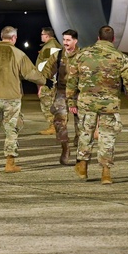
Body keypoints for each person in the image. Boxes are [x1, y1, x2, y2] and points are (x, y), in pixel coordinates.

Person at [66, 26, 128, 183]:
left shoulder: (82, 54)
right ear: (113, 39)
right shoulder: (120, 57)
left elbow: (71, 80)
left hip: (87, 103)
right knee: (107, 137)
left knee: (86, 133)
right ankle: (106, 172)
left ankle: (83, 166)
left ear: (98, 38)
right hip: (109, 104)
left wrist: (71, 100)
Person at [0, 26, 46, 173]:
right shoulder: (18, 54)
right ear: (14, 38)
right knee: (11, 131)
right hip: (12, 98)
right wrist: (45, 81)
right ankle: (9, 163)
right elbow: (30, 74)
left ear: (2, 36)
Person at [40, 29, 80, 166]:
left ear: (75, 41)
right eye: (64, 40)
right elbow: (46, 72)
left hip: (78, 93)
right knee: (59, 121)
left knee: (82, 123)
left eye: (68, 40)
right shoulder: (57, 55)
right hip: (62, 92)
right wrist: (42, 83)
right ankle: (65, 147)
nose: (65, 43)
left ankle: (80, 148)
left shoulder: (82, 56)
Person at [36, 27, 62, 135]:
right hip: (55, 79)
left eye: (42, 34)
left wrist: (41, 81)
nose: (41, 36)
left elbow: (46, 66)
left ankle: (52, 126)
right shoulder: (57, 45)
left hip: (48, 79)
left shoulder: (48, 47)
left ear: (47, 35)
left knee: (46, 102)